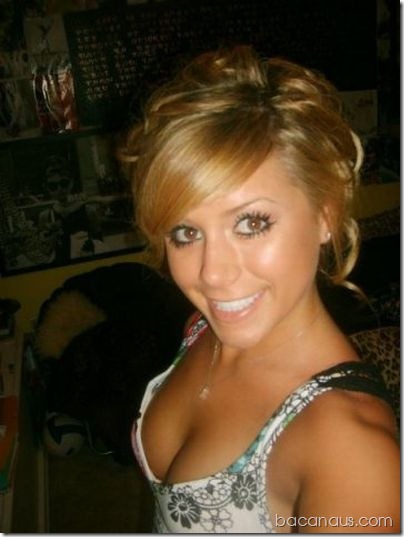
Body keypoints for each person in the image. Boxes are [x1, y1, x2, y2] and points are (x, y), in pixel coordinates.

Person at [122, 46, 400, 533]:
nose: (212, 274)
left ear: (326, 214)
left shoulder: (351, 450)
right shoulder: (203, 328)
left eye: (251, 223)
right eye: (186, 232)